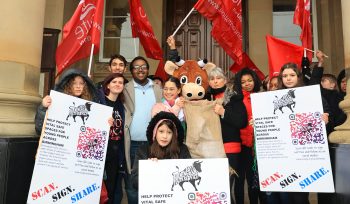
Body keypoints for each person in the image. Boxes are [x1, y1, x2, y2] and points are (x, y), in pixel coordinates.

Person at [277, 62, 330, 204]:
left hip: (304, 153)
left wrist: (324, 119)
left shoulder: (310, 94)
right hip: (283, 153)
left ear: (299, 77)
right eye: (285, 76)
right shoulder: (274, 97)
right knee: (287, 196)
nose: (288, 78)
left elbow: (325, 110)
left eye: (292, 75)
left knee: (300, 197)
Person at [123, 56, 162, 204]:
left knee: (154, 182)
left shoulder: (158, 88)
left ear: (148, 69)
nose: (140, 70)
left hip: (154, 144)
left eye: (144, 66)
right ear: (131, 71)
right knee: (132, 184)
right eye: (136, 67)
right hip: (132, 143)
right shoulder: (125, 89)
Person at [209, 67, 247, 204]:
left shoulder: (234, 97)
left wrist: (224, 112)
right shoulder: (206, 97)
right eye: (212, 79)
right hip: (211, 148)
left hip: (230, 147)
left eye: (218, 78)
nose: (215, 82)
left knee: (225, 186)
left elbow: (241, 121)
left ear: (224, 80)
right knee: (214, 188)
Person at [131, 111, 191, 189]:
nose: (165, 136)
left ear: (174, 135)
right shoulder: (143, 150)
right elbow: (134, 183)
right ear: (155, 132)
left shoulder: (182, 149)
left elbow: (189, 177)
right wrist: (148, 170)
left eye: (169, 132)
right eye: (161, 131)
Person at [233, 68, 265, 204]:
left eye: (250, 80)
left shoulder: (263, 97)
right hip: (240, 145)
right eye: (243, 82)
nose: (247, 84)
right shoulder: (235, 99)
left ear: (255, 81)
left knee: (254, 179)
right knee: (239, 179)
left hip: (257, 145)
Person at [35, 68, 98, 135]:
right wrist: (43, 108)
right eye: (74, 83)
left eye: (81, 83)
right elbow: (39, 129)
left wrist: (107, 122)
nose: (78, 86)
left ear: (85, 86)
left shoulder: (90, 104)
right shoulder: (56, 101)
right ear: (68, 85)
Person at [98, 73, 126, 204]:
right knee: (98, 187)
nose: (117, 84)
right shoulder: (99, 101)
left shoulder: (121, 105)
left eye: (120, 82)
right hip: (100, 150)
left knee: (111, 187)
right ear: (108, 85)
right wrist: (102, 122)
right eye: (114, 82)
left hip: (115, 152)